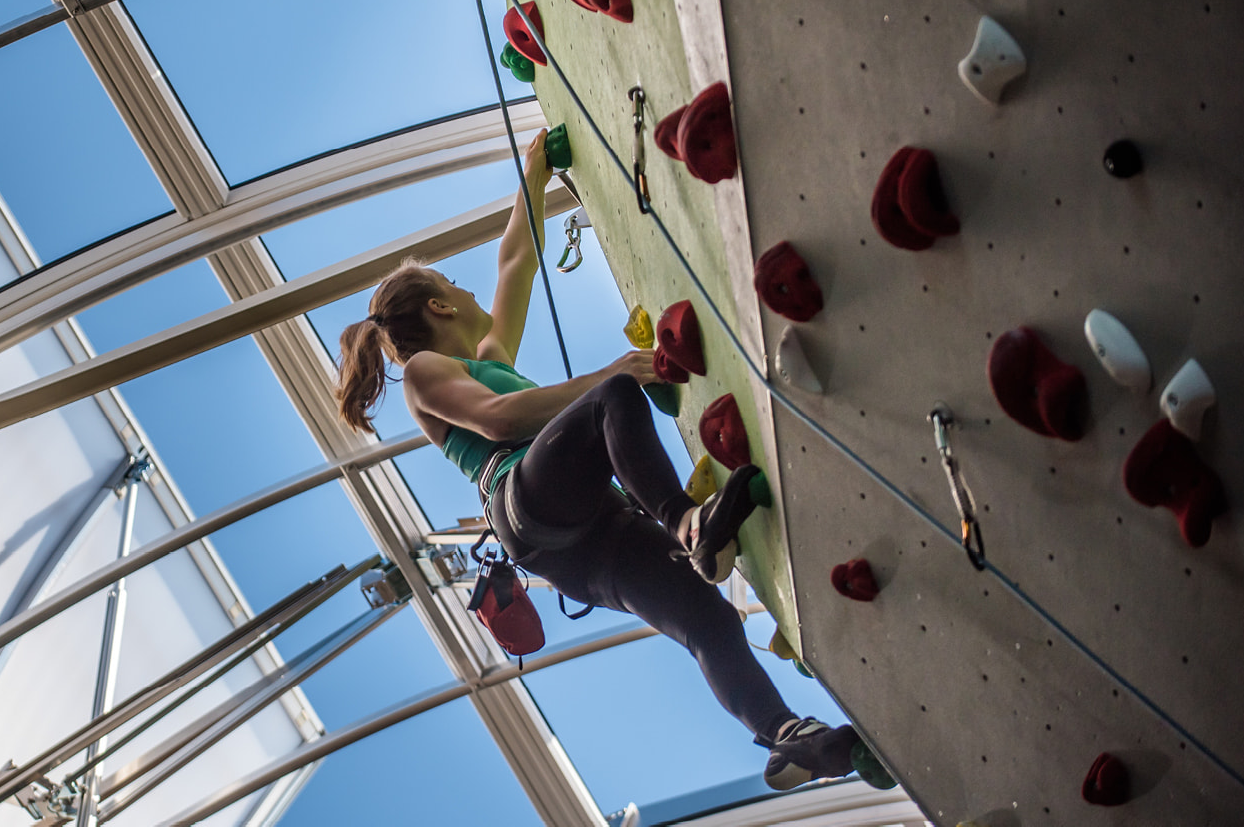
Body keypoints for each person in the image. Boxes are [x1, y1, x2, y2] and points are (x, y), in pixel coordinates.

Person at [332, 129, 859, 790]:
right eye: (453, 285)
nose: (469, 293)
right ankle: (688, 524)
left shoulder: (489, 359)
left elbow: (515, 263)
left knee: (707, 617)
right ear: (440, 305)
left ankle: (787, 737)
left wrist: (534, 170)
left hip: (582, 543)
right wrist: (612, 374)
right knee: (612, 399)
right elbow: (497, 420)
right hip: (526, 506)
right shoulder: (424, 371)